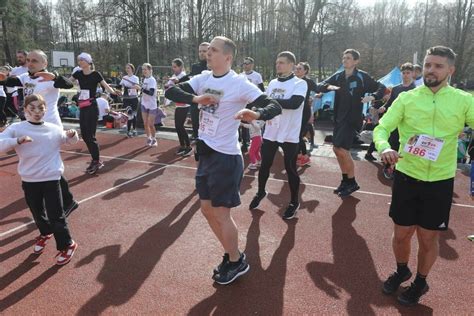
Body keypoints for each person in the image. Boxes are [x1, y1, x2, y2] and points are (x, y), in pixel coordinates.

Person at [165, 36, 281, 285]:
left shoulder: (239, 83)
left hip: (226, 157)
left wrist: (256, 113)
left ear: (227, 57)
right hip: (206, 154)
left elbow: (273, 105)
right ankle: (232, 255)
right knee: (206, 210)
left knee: (221, 212)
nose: (208, 52)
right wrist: (196, 99)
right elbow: (170, 90)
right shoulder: (203, 79)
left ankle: (236, 259)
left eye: (214, 50)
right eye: (208, 49)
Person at [374, 46, 474, 306]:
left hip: (440, 182)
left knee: (428, 237)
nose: (431, 70)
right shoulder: (407, 98)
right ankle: (401, 269)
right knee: (401, 234)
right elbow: (383, 127)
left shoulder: (464, 100)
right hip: (407, 176)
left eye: (438, 66)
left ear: (450, 70)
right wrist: (384, 147)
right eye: (428, 65)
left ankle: (420, 281)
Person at [0, 94, 79, 265]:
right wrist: (17, 141)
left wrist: (72, 135)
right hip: (29, 179)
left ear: (46, 109)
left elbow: (69, 140)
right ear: (25, 109)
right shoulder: (17, 128)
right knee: (37, 212)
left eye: (41, 108)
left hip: (51, 178)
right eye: (33, 108)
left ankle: (68, 244)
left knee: (56, 214)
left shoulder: (53, 128)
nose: (37, 111)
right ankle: (45, 232)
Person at [0, 49, 79, 216]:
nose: (30, 63)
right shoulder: (26, 77)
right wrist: (3, 78)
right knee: (42, 162)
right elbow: (12, 81)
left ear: (45, 63)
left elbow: (68, 85)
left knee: (49, 165)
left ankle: (66, 200)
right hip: (33, 125)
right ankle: (63, 199)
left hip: (49, 126)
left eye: (34, 60)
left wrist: (55, 78)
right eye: (28, 60)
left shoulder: (50, 78)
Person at [317, 49, 386, 197]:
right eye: (343, 57)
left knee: (342, 150)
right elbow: (320, 85)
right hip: (339, 118)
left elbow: (382, 87)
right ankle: (345, 180)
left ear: (356, 61)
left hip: (352, 118)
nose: (345, 60)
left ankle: (352, 181)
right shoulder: (339, 76)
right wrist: (328, 87)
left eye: (348, 58)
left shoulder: (362, 76)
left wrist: (373, 96)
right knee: (337, 149)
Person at [249, 51, 308, 220]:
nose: (278, 65)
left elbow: (294, 103)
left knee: (290, 169)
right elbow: (265, 104)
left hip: (289, 133)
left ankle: (294, 202)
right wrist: (258, 111)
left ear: (291, 65)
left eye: (282, 62)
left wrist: (271, 103)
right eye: (277, 62)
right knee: (265, 165)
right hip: (271, 131)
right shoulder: (273, 83)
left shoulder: (300, 83)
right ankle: (260, 192)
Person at [366, 63, 416, 180]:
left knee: (405, 145)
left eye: (408, 73)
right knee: (393, 144)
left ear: (413, 74)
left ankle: (403, 169)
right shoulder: (396, 88)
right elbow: (390, 103)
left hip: (409, 123)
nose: (405, 75)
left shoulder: (416, 90)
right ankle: (388, 167)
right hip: (395, 121)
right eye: (403, 73)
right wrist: (384, 106)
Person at [72, 52, 120, 174]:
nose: (80, 62)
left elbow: (106, 86)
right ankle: (95, 158)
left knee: (90, 135)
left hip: (92, 107)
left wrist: (114, 92)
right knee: (84, 134)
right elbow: (68, 82)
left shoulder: (95, 74)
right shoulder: (77, 73)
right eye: (79, 60)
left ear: (88, 62)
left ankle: (96, 160)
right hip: (82, 106)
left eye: (82, 60)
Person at [166, 58, 193, 156]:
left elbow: (185, 87)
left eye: (175, 67)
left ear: (181, 67)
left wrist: (176, 82)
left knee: (180, 125)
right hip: (178, 104)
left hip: (185, 104)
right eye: (172, 67)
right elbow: (169, 87)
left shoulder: (184, 76)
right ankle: (182, 145)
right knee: (177, 126)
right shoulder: (174, 76)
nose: (173, 69)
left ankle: (188, 146)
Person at [295, 61, 319, 166]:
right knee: (294, 134)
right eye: (296, 68)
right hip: (294, 111)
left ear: (305, 71)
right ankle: (299, 154)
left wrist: (319, 94)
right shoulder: (293, 80)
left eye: (300, 69)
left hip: (304, 111)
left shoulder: (308, 82)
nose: (297, 70)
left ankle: (305, 156)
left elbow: (318, 89)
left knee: (298, 135)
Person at [185, 42, 210, 140]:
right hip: (196, 100)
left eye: (204, 51)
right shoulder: (195, 66)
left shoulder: (214, 66)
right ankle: (196, 137)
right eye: (200, 51)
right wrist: (178, 80)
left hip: (209, 102)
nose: (202, 53)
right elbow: (190, 76)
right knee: (195, 122)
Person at [240, 57, 265, 153]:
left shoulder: (257, 76)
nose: (245, 65)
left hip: (253, 103)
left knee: (254, 123)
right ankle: (244, 142)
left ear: (252, 65)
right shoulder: (240, 75)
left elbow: (262, 90)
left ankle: (258, 141)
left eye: (247, 63)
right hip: (243, 102)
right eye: (244, 63)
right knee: (244, 122)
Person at [140, 63, 158, 147]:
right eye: (143, 69)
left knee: (151, 124)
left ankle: (154, 138)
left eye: (145, 69)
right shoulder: (144, 79)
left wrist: (141, 89)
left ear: (150, 70)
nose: (144, 71)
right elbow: (143, 91)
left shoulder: (152, 80)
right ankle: (149, 137)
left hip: (152, 105)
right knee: (145, 123)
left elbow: (151, 93)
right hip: (144, 103)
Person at [120, 63, 140, 137]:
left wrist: (133, 85)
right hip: (126, 99)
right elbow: (120, 86)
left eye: (128, 68)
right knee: (130, 114)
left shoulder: (135, 78)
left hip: (134, 98)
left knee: (134, 115)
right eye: (126, 68)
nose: (127, 69)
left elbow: (137, 86)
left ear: (132, 69)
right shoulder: (124, 77)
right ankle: (128, 131)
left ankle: (134, 129)